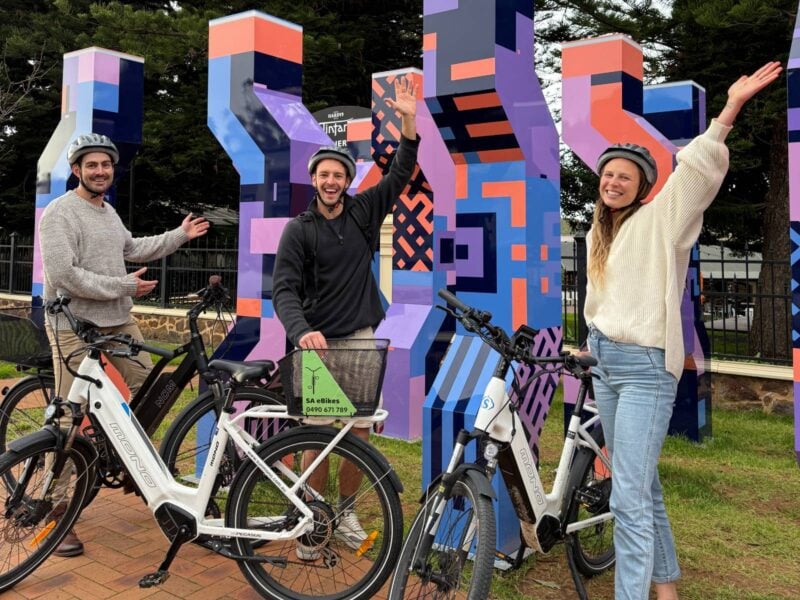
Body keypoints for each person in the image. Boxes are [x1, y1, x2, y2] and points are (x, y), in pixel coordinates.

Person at [584, 61, 782, 600]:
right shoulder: (595, 234)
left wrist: (729, 110)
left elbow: (695, 171)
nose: (614, 181)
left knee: (626, 495)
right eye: (609, 174)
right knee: (639, 485)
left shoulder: (662, 219)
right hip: (605, 361)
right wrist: (590, 341)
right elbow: (602, 301)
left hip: (647, 368)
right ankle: (666, 590)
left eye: (626, 175)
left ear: (644, 186)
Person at [38, 133, 210, 557]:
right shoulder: (60, 214)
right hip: (72, 326)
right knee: (67, 416)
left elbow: (132, 248)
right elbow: (65, 275)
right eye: (91, 165)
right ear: (76, 170)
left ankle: (123, 454)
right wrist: (124, 285)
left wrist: (179, 235)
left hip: (118, 322)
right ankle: (55, 509)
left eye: (106, 165)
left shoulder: (108, 212)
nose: (100, 171)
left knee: (157, 388)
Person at [272, 75, 418, 559]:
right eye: (323, 175)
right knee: (317, 435)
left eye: (338, 175)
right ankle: (313, 518)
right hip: (316, 344)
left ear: (347, 180)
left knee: (356, 433)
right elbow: (284, 290)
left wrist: (408, 122)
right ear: (314, 180)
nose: (331, 182)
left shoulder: (363, 211)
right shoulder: (298, 230)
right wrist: (301, 331)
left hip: (359, 337)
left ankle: (347, 510)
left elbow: (400, 171)